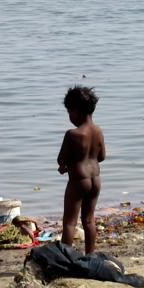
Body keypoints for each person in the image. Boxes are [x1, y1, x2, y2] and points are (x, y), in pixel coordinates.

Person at [57, 85, 105, 253]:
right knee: (89, 220)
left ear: (76, 111)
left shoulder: (72, 134)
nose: (69, 117)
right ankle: (90, 255)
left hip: (78, 181)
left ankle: (66, 257)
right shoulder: (98, 131)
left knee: (70, 223)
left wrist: (64, 166)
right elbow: (101, 157)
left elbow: (61, 159)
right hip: (95, 179)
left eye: (69, 112)